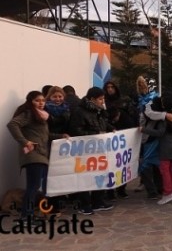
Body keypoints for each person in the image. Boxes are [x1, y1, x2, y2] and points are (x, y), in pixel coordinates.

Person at [7, 91, 68, 224]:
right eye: (37, 101)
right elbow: (12, 125)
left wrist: (60, 136)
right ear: (30, 102)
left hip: (41, 153)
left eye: (42, 100)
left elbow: (44, 136)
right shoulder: (29, 113)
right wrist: (25, 142)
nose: (41, 103)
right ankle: (26, 216)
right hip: (33, 154)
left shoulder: (41, 116)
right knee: (33, 186)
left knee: (35, 186)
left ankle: (29, 214)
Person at [69, 87, 115, 214]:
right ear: (92, 99)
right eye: (100, 99)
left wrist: (111, 129)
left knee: (99, 175)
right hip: (85, 151)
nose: (102, 101)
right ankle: (84, 203)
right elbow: (76, 131)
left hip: (99, 150)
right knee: (85, 177)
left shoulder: (98, 111)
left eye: (103, 99)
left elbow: (102, 124)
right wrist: (96, 134)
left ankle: (97, 201)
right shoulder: (79, 112)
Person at [142, 94, 172, 205]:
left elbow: (160, 132)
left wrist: (144, 130)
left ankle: (168, 193)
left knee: (165, 171)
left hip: (165, 146)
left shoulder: (165, 118)